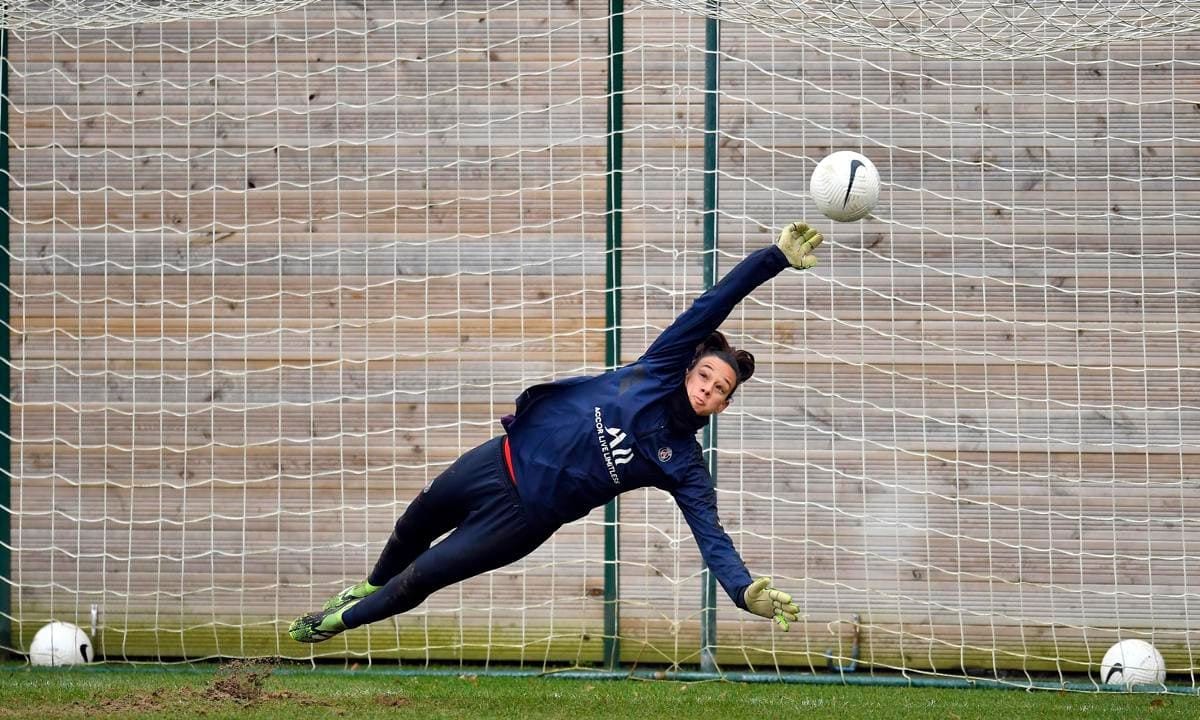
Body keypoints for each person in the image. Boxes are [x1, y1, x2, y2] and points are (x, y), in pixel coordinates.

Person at [288, 221, 824, 643]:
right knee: (415, 520)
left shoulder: (682, 463)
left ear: (724, 406)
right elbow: (716, 301)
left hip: (521, 520)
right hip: (497, 460)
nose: (708, 388)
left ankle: (335, 624)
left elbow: (711, 535)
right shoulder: (659, 366)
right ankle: (367, 586)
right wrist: (772, 258)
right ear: (689, 370)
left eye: (720, 389)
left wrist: (741, 589)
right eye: (706, 375)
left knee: (423, 576)